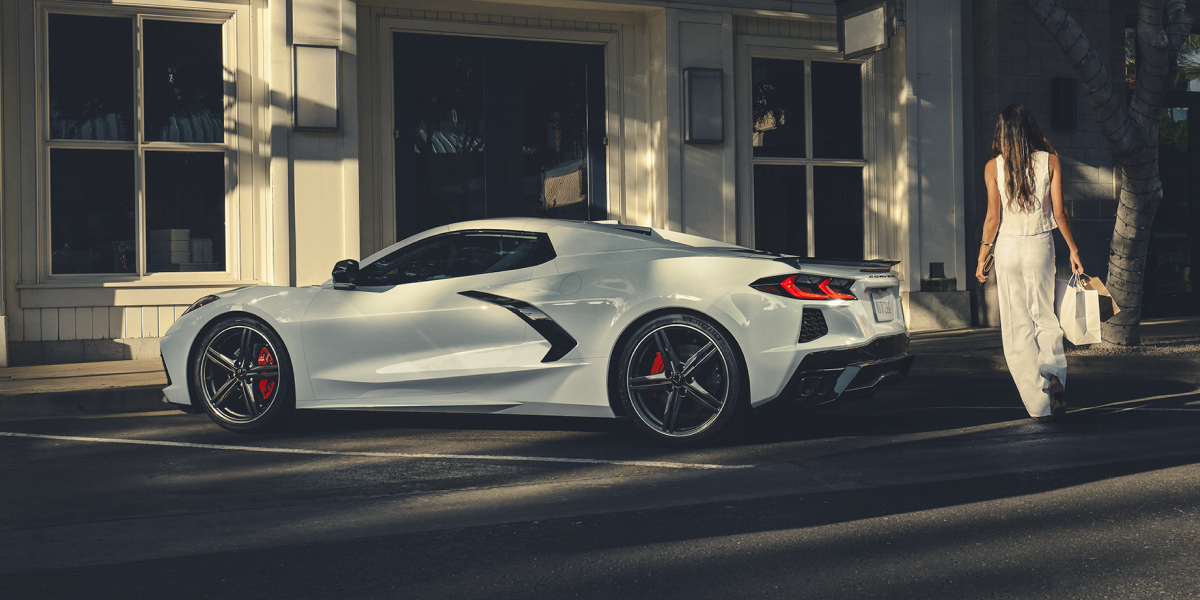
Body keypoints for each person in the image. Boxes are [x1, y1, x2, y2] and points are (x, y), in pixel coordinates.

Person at [976, 104, 1084, 423]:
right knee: (1045, 316)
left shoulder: (993, 167)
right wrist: (1074, 250)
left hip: (1008, 249)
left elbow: (992, 218)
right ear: (1031, 129)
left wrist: (983, 256)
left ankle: (1039, 406)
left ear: (1003, 133)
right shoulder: (1050, 161)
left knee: (1017, 325)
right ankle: (1053, 377)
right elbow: (1060, 214)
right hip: (1041, 245)